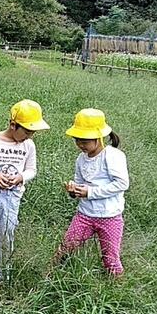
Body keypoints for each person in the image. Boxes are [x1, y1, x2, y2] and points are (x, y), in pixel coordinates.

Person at [0, 99, 49, 280]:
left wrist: (20, 177)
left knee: (6, 234)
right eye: (27, 132)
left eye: (32, 133)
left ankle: (1, 274)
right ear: (13, 125)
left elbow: (31, 170)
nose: (29, 136)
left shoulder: (28, 145)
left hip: (12, 196)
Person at [47, 108, 129, 277]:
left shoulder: (112, 156)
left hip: (110, 216)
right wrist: (74, 190)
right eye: (77, 140)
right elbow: (79, 183)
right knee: (66, 247)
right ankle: (49, 274)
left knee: (110, 258)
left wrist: (90, 192)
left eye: (84, 141)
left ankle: (117, 284)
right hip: (85, 214)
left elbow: (122, 183)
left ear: (99, 138)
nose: (80, 145)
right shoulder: (81, 159)